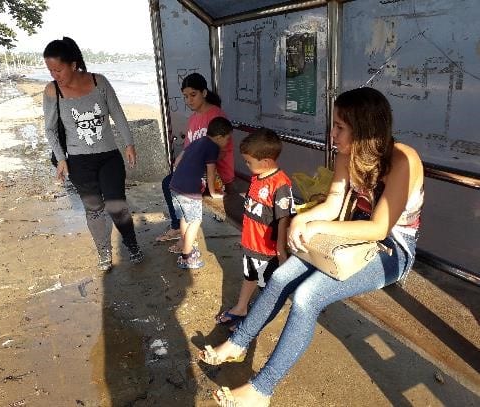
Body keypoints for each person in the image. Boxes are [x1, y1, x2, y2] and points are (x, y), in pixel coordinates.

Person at [199, 87, 424, 406]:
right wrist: (300, 221)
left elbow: (380, 227)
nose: (333, 135)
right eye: (334, 125)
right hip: (349, 236)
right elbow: (333, 204)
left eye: (340, 127)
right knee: (280, 277)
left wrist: (316, 226)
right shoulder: (348, 153)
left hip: (392, 250)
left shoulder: (403, 158)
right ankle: (238, 343)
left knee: (307, 296)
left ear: (365, 128)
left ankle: (262, 389)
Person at [43, 37, 144, 272]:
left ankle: (131, 243)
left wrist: (129, 144)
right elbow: (50, 128)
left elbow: (117, 114)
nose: (54, 75)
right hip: (78, 161)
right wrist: (61, 159)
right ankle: (104, 251)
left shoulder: (100, 82)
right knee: (94, 207)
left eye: (58, 69)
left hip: (109, 156)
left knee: (116, 205)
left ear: (73, 64)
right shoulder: (52, 91)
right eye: (49, 70)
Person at [215, 128, 295, 331]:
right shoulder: (257, 177)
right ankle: (242, 308)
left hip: (266, 251)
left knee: (267, 290)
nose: (247, 165)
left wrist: (280, 249)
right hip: (250, 245)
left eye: (249, 162)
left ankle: (254, 323)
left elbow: (283, 218)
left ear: (266, 162)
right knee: (249, 276)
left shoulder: (280, 184)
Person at [156, 73, 234, 242]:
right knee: (169, 182)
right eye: (185, 97)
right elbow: (190, 147)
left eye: (193, 95)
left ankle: (180, 227)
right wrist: (181, 159)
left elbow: (222, 151)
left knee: (175, 184)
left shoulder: (216, 115)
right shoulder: (192, 119)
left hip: (216, 174)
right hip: (200, 171)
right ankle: (179, 225)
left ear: (204, 93)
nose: (189, 100)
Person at [169, 117, 233, 269]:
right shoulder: (212, 147)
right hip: (189, 191)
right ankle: (187, 256)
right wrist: (213, 192)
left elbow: (177, 162)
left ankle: (186, 247)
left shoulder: (197, 141)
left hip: (175, 186)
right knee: (195, 221)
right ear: (219, 137)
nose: (228, 142)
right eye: (227, 139)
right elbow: (211, 172)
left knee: (185, 219)